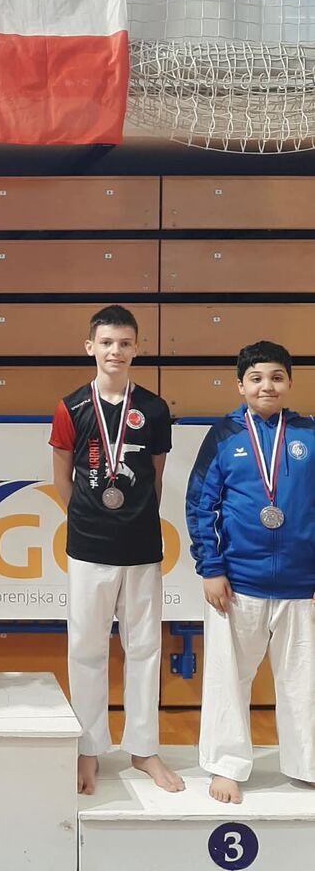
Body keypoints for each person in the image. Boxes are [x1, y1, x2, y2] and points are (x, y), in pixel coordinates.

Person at [50, 305, 185, 795]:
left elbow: (155, 478)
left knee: (145, 648)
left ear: (137, 348)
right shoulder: (71, 407)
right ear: (90, 347)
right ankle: (88, 749)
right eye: (107, 342)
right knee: (86, 648)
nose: (115, 351)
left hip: (142, 546)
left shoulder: (154, 408)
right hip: (89, 546)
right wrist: (92, 518)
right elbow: (62, 478)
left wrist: (133, 520)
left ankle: (144, 749)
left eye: (125, 343)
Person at [186, 340, 314, 804]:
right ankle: (225, 766)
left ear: (290, 383)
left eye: (277, 377)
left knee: (304, 681)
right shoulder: (223, 436)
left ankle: (307, 764)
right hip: (238, 582)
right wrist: (211, 567)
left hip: (302, 583)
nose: (267, 386)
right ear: (240, 385)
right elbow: (200, 505)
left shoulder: (309, 434)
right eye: (256, 378)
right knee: (228, 678)